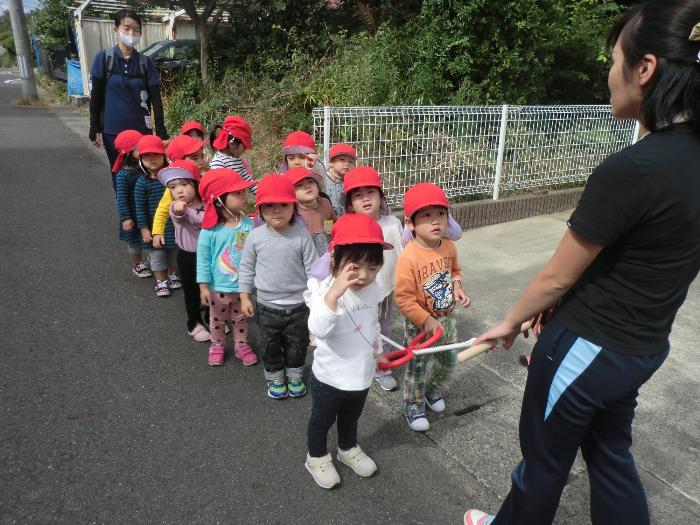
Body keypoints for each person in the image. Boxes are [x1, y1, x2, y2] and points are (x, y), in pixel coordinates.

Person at [464, 2, 700, 524]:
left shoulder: (633, 169)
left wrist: (506, 321)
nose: (608, 73)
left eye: (614, 59)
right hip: (642, 348)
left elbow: (556, 275)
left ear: (646, 69)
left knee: (543, 465)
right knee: (610, 456)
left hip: (588, 348)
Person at [303, 213, 392, 489]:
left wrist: (378, 351)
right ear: (335, 260)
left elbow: (372, 323)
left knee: (351, 418)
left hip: (360, 375)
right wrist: (333, 294)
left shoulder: (372, 289)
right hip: (330, 377)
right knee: (322, 419)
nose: (364, 276)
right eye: (356, 267)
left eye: (373, 268)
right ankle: (316, 456)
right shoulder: (325, 291)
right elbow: (318, 328)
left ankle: (347, 448)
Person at [395, 183, 471, 432]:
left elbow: (455, 271)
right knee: (417, 366)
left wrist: (457, 286)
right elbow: (403, 298)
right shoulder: (409, 256)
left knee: (448, 360)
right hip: (420, 325)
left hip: (447, 318)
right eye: (426, 215)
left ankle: (432, 390)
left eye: (440, 213)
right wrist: (426, 321)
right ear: (410, 223)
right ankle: (413, 405)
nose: (435, 221)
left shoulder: (449, 246)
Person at [239, 174, 318, 399]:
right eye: (270, 205)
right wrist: (245, 297)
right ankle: (275, 378)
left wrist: (316, 299)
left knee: (297, 344)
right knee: (269, 345)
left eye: (283, 204)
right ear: (260, 209)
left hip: (299, 305)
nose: (277, 210)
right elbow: (246, 269)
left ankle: (294, 374)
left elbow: (313, 270)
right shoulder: (255, 237)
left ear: (293, 207)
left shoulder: (302, 235)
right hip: (266, 305)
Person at [89, 9, 167, 190]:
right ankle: (126, 217)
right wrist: (94, 127)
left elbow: (156, 99)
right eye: (127, 28)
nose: (132, 34)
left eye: (136, 30)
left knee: (145, 175)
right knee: (120, 176)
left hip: (142, 132)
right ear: (116, 30)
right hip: (113, 132)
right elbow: (96, 96)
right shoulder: (104, 58)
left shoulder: (145, 62)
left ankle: (143, 216)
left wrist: (161, 130)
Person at [343, 166, 403, 391]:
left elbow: (402, 254)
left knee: (382, 328)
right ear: (350, 204)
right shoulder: (349, 227)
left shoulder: (392, 223)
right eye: (357, 195)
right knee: (356, 327)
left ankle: (381, 366)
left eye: (371, 192)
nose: (365, 198)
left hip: (385, 289)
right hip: (357, 290)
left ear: (381, 195)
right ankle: (356, 364)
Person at [196, 168, 257, 367]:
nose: (244, 196)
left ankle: (241, 345)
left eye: (243, 191)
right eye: (237, 193)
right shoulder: (210, 230)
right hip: (217, 288)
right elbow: (203, 259)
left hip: (242, 288)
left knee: (240, 320)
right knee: (217, 320)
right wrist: (203, 286)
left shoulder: (249, 225)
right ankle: (217, 344)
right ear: (219, 199)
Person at [158, 160, 210, 342]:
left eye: (184, 184)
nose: (179, 190)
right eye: (173, 187)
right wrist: (180, 209)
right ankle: (194, 323)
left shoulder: (208, 203)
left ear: (196, 183)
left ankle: (212, 318)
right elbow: (178, 214)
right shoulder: (177, 206)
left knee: (212, 288)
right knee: (191, 291)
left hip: (209, 255)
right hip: (188, 256)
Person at [133, 135, 179, 297]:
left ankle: (172, 274)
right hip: (154, 228)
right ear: (141, 159)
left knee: (173, 253)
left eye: (156, 154)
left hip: (173, 226)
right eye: (147, 155)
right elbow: (140, 209)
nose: (152, 158)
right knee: (157, 255)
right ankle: (161, 281)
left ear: (164, 156)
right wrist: (144, 229)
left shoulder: (172, 180)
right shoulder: (142, 183)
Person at [152, 135, 207, 249]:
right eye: (195, 158)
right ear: (180, 161)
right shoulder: (174, 188)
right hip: (188, 236)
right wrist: (157, 232)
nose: (201, 161)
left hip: (211, 232)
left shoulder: (208, 176)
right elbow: (162, 209)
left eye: (202, 156)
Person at [112, 129, 151, 278]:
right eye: (139, 148)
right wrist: (126, 218)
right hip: (131, 214)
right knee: (134, 240)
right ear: (128, 153)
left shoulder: (143, 169)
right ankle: (137, 263)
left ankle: (152, 259)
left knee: (147, 236)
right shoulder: (123, 175)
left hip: (144, 211)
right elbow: (121, 198)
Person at [285, 167, 337, 256]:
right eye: (299, 185)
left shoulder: (325, 202)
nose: (307, 186)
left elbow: (331, 225)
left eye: (311, 182)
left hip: (328, 250)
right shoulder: (292, 212)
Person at [209, 116, 256, 193]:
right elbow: (218, 191)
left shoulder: (237, 160)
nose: (245, 149)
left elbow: (248, 181)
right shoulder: (218, 163)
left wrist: (261, 195)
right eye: (244, 146)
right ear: (232, 144)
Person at [324, 143, 357, 217]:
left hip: (345, 222)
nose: (346, 164)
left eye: (350, 162)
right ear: (331, 162)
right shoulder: (323, 180)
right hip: (327, 221)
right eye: (342, 160)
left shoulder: (351, 182)